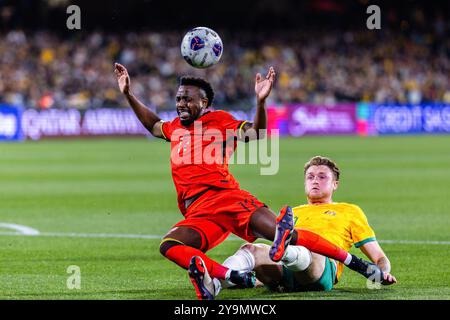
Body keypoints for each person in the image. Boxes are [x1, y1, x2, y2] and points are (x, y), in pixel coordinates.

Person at [114, 63, 384, 300]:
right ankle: (227, 276)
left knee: (284, 235)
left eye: (188, 99)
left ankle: (354, 263)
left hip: (226, 197)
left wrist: (261, 102)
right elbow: (153, 124)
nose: (181, 104)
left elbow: (256, 134)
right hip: (198, 210)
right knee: (170, 245)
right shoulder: (174, 127)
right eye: (179, 99)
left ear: (205, 103)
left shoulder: (219, 121)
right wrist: (128, 94)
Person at [222, 156, 397, 293]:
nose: (315, 181)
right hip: (286, 269)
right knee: (250, 249)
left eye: (322, 177)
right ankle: (217, 279)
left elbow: (380, 258)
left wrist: (383, 272)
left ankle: (287, 253)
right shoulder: (293, 212)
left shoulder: (350, 211)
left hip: (322, 267)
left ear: (335, 184)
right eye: (310, 177)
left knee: (311, 250)